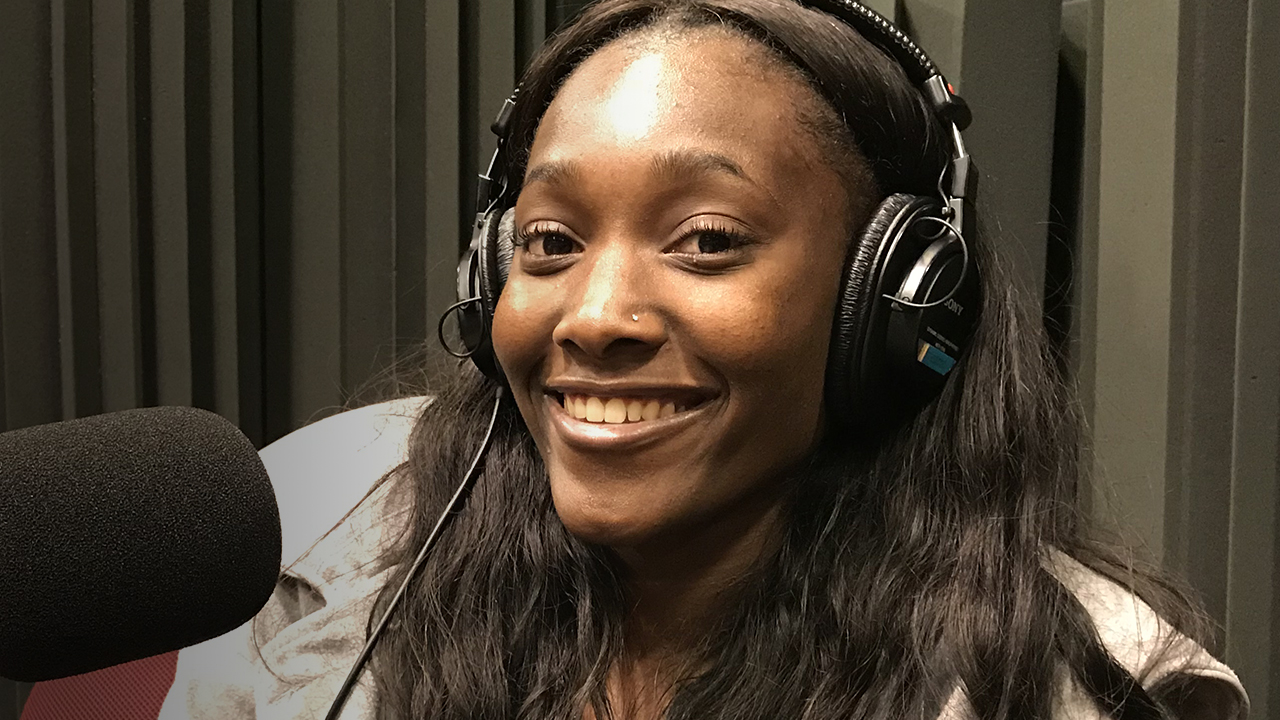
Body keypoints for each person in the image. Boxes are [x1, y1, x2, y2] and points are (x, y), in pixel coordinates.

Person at [160, 1, 1249, 718]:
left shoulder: (1088, 690)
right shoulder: (313, 534)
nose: (593, 316)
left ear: (892, 298)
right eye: (549, 242)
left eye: (705, 241)